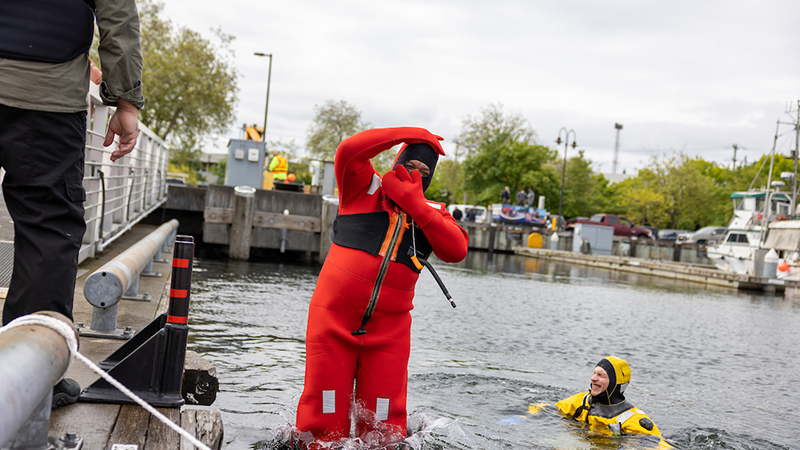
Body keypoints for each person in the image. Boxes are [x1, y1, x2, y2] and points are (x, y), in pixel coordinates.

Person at [0, 0, 144, 408]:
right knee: (48, 228)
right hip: (46, 93)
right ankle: (29, 373)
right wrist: (126, 102)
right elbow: (118, 19)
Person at [295, 127, 469, 448]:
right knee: (323, 428)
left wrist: (415, 205)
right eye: (411, 166)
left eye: (425, 172)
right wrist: (406, 133)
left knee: (383, 434)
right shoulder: (362, 187)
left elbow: (457, 249)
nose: (416, 174)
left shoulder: (433, 213)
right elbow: (349, 150)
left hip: (389, 335)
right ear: (396, 162)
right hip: (333, 324)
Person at [502, 356, 670, 447]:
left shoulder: (632, 419)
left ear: (615, 382)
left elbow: (658, 445)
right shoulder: (581, 401)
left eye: (600, 375)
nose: (593, 378)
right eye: (594, 373)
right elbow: (550, 409)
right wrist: (522, 417)